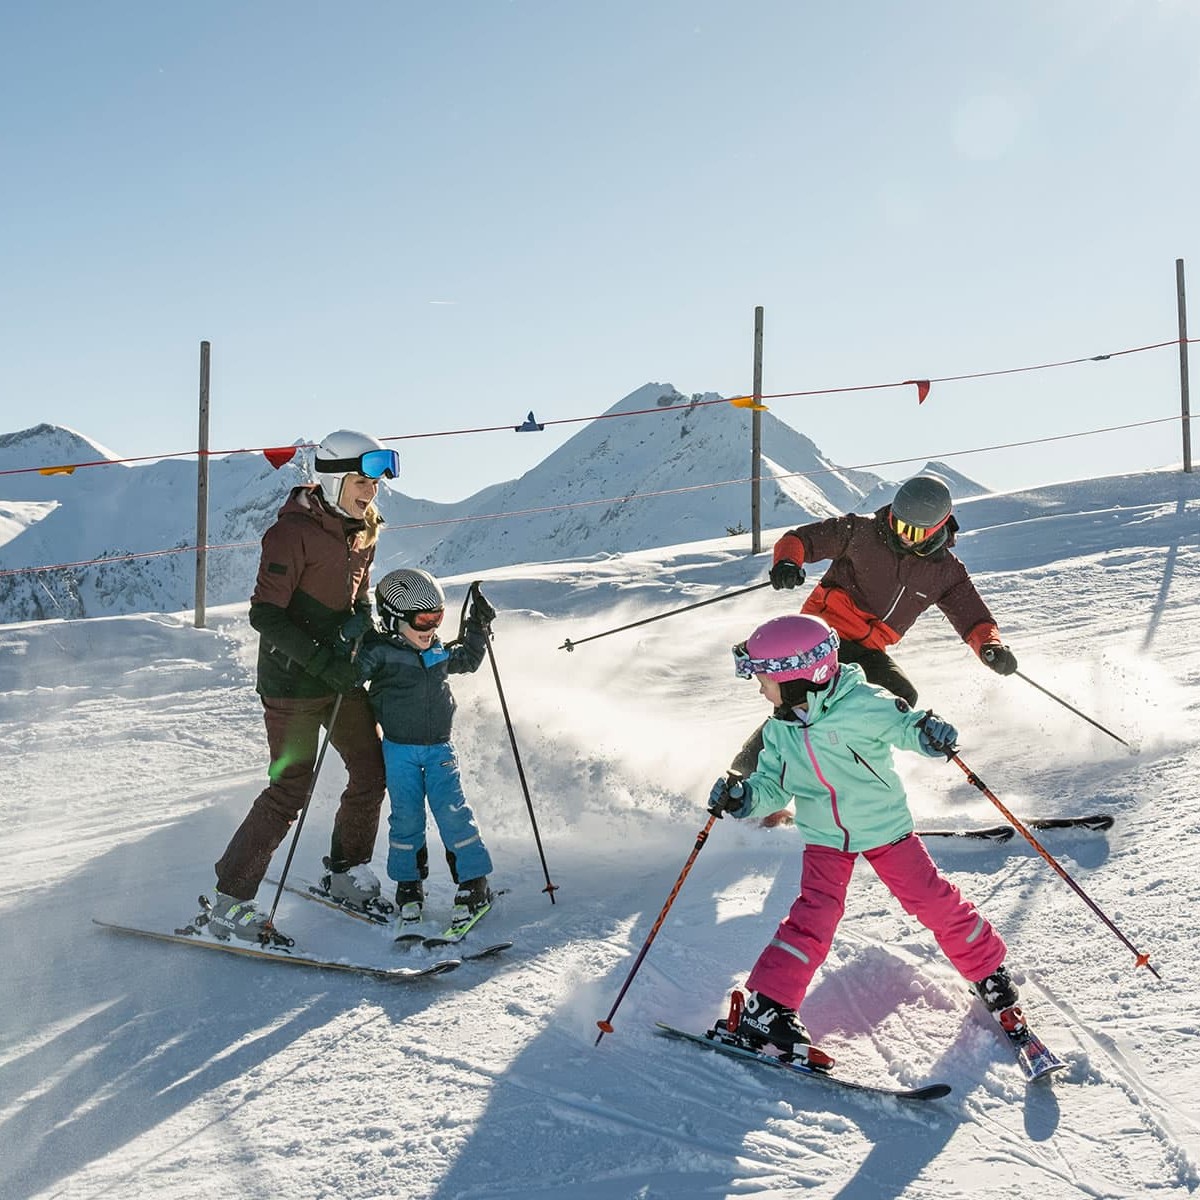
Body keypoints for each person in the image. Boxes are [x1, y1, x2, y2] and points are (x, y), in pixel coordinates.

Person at [706, 613, 1021, 1054]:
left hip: (885, 829)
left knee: (932, 898)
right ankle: (769, 1006)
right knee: (812, 919)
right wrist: (744, 799)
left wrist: (929, 733)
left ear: (797, 678)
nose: (760, 688)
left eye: (764, 678)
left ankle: (986, 969)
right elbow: (773, 786)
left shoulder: (863, 702)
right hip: (824, 840)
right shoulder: (780, 731)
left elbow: (904, 725)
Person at [207, 430, 398, 943]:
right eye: (361, 482)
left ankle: (343, 869)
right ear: (334, 480)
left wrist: (359, 623)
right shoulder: (290, 534)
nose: (370, 493)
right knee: (291, 787)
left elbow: (359, 595)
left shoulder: (366, 529)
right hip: (292, 683)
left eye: (375, 483)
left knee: (371, 768)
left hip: (338, 676)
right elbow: (266, 615)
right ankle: (230, 900)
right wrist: (321, 661)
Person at [730, 473, 1016, 777]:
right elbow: (800, 540)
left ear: (937, 530)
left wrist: (991, 647)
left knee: (899, 696)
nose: (902, 535)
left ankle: (840, 771)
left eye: (913, 531)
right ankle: (744, 779)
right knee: (802, 702)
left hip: (868, 648)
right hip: (824, 636)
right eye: (897, 523)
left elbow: (973, 618)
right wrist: (788, 562)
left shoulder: (946, 573)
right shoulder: (862, 531)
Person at [356, 568, 497, 927]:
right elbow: (352, 673)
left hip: (439, 750)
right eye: (423, 619)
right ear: (393, 618)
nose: (431, 628)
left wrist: (477, 626)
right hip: (398, 751)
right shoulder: (380, 653)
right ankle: (408, 884)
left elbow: (467, 658)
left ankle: (474, 881)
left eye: (438, 618)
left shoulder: (435, 651)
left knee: (452, 812)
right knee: (406, 818)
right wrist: (354, 640)